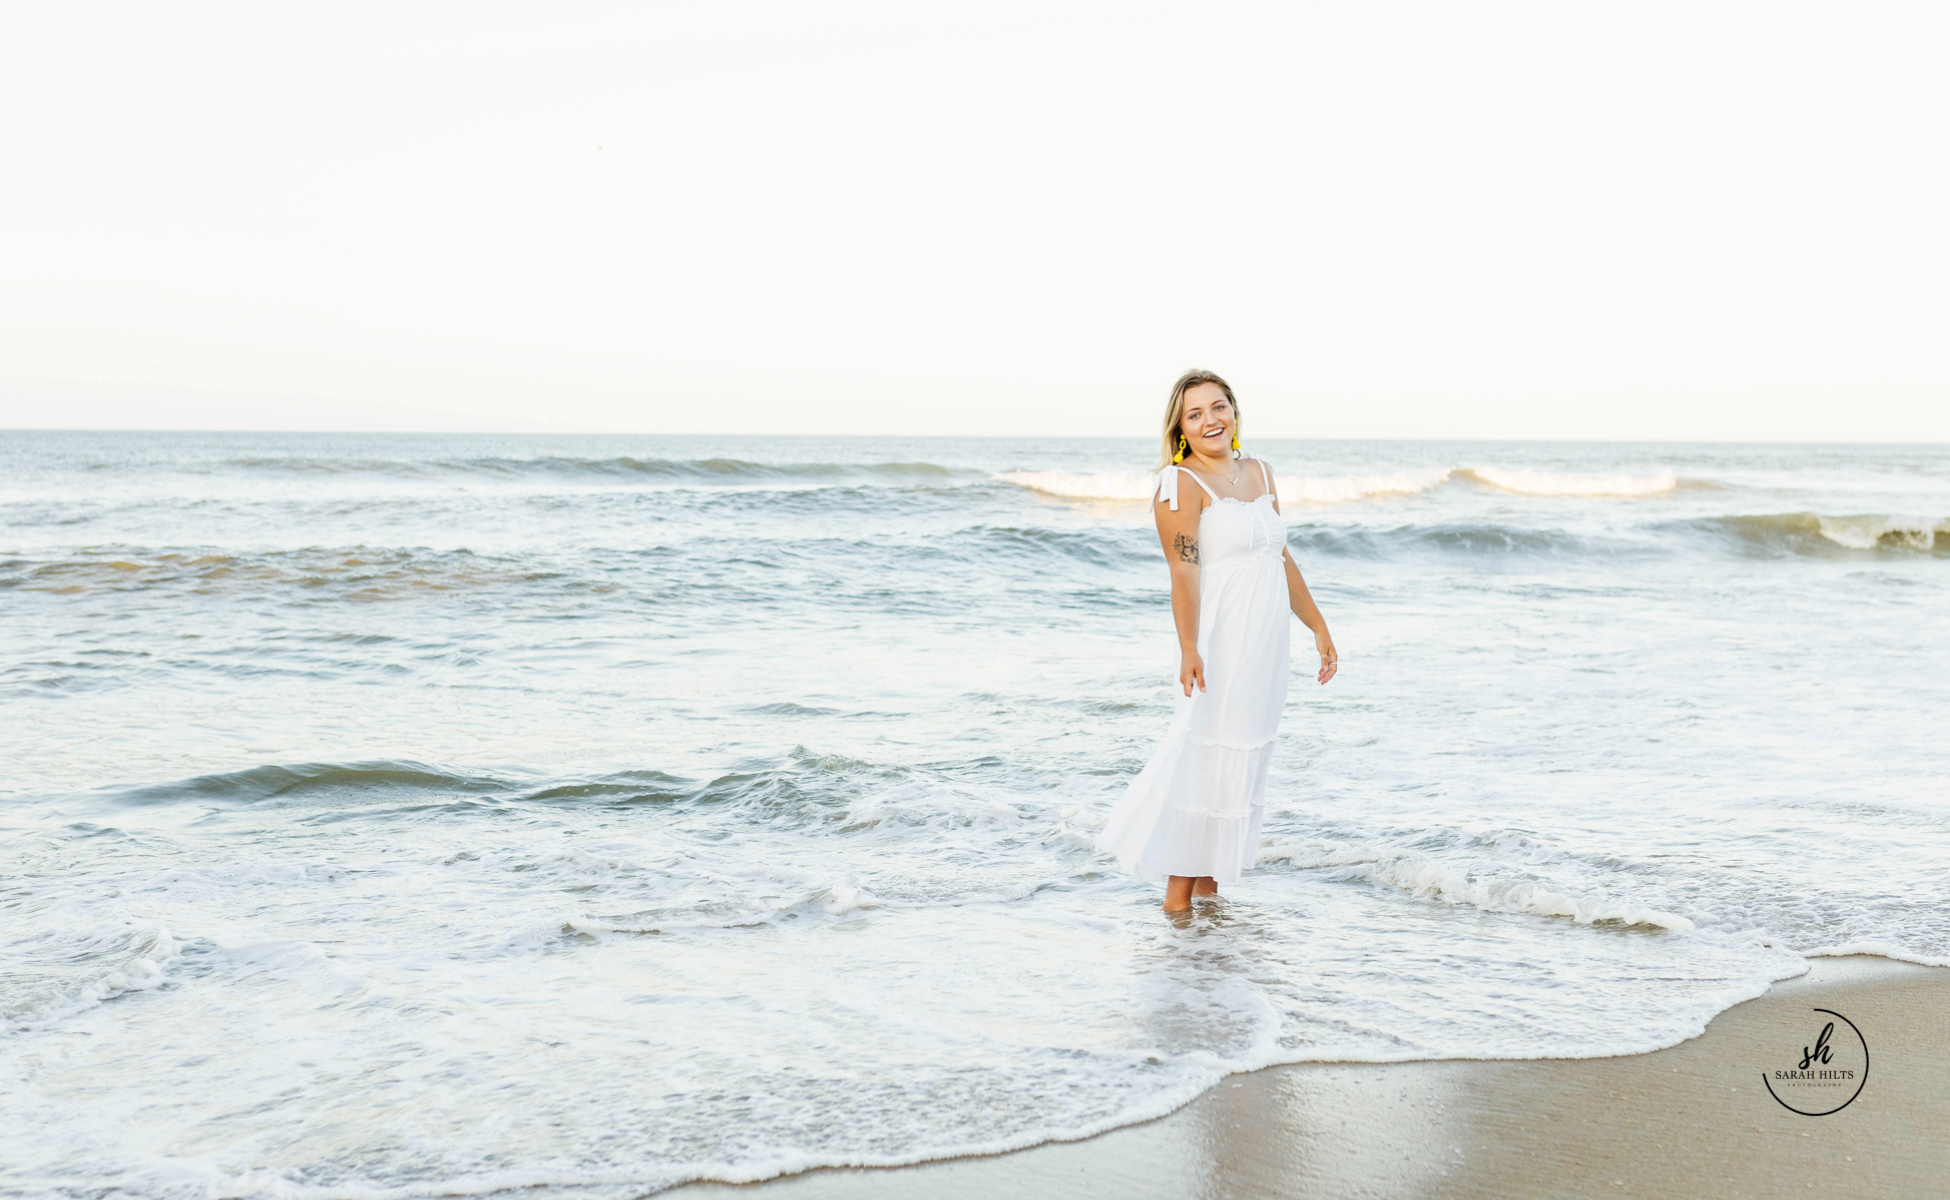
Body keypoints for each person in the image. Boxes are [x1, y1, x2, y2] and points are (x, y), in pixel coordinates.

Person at [1099, 370, 1338, 912]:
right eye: (1195, 413)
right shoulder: (1179, 483)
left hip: (1267, 647)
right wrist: (1188, 648)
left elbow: (1280, 558)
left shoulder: (1261, 472)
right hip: (1222, 645)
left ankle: (1207, 928)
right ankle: (1177, 908)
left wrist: (1319, 626)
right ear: (1180, 427)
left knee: (1241, 767)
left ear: (1233, 411)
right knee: (1206, 763)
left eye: (1219, 406)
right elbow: (1182, 574)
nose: (1211, 419)